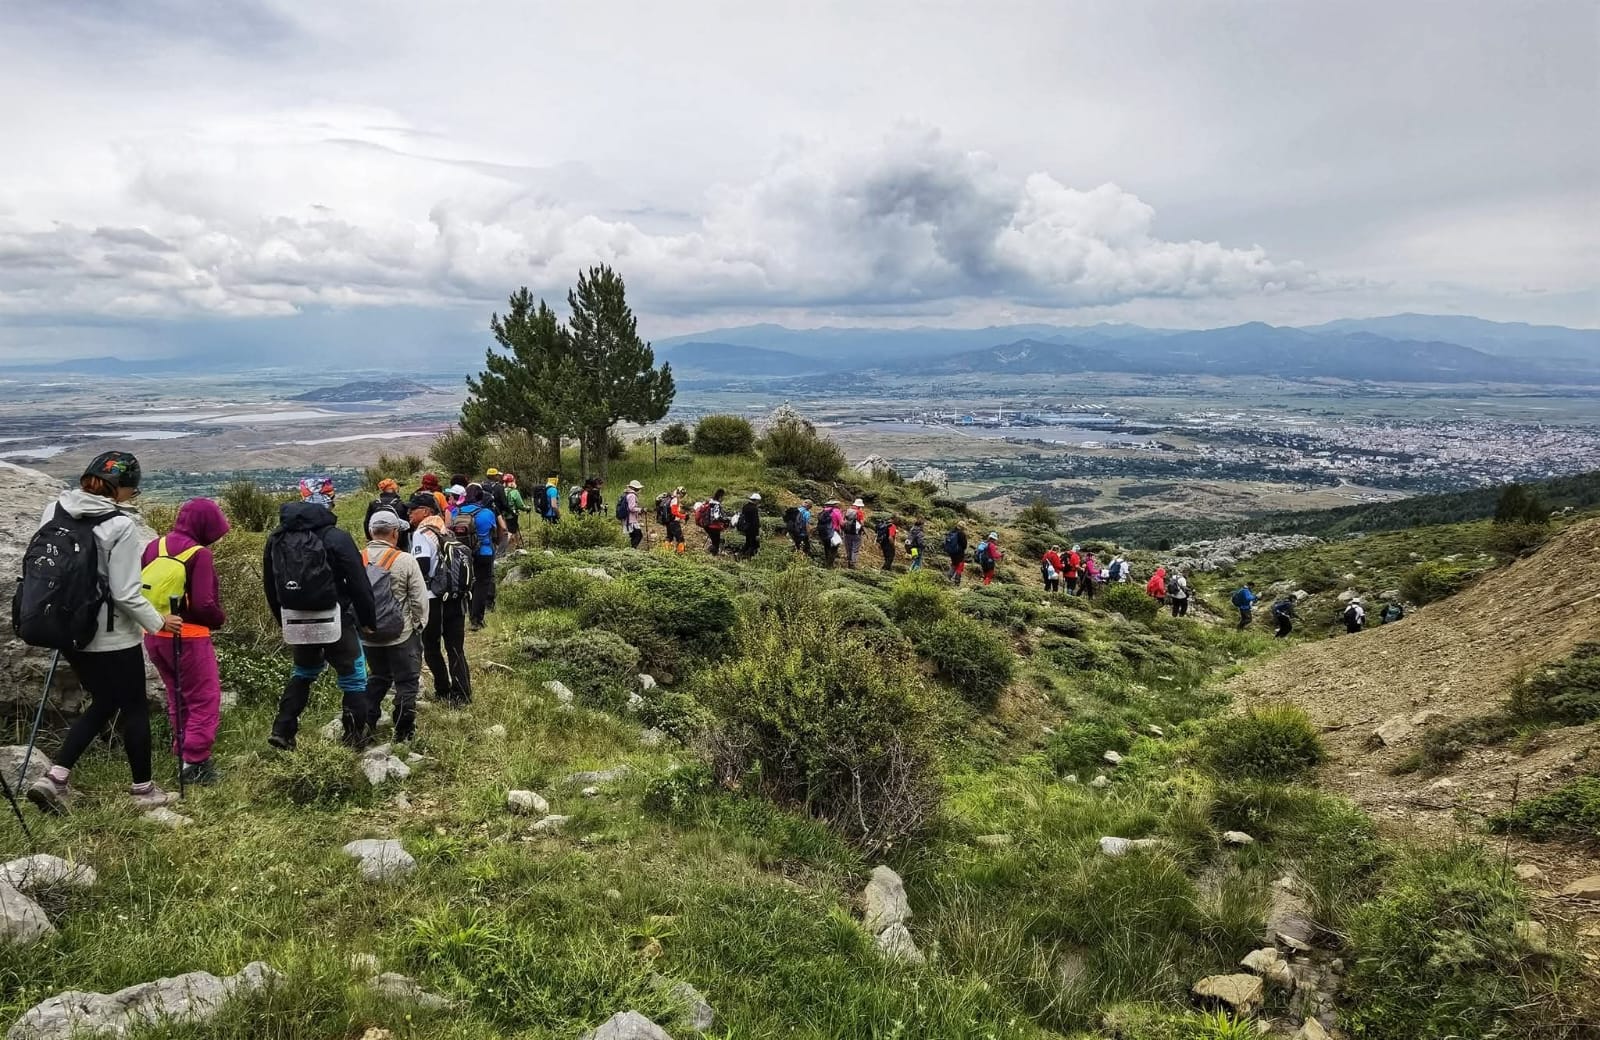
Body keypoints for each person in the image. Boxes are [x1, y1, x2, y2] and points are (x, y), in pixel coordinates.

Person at [24, 452, 184, 815]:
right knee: (134, 706)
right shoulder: (119, 526)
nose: (132, 496)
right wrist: (159, 622)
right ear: (120, 488)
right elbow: (126, 593)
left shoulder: (54, 509)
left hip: (66, 627)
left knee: (104, 700)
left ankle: (55, 778)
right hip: (111, 635)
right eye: (133, 490)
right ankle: (144, 791)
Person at [263, 479, 378, 750]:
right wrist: (368, 621)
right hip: (335, 619)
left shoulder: (276, 539)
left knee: (303, 672)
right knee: (353, 676)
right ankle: (352, 739)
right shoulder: (336, 537)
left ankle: (283, 730)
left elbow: (271, 585)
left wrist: (282, 620)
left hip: (295, 619)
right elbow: (359, 583)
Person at [141, 497, 230, 786]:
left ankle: (182, 752)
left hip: (154, 634)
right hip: (189, 637)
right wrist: (219, 619)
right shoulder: (199, 554)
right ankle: (196, 762)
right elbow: (204, 604)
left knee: (177, 696)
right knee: (204, 698)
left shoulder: (155, 546)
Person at [361, 510, 429, 742]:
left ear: (371, 531)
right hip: (401, 633)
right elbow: (419, 600)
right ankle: (403, 730)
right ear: (394, 533)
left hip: (368, 634)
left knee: (378, 676)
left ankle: (365, 721)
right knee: (407, 681)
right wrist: (419, 625)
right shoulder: (405, 560)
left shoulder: (356, 558)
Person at [409, 493, 471, 705]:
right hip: (455, 596)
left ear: (425, 511)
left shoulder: (421, 534)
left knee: (431, 646)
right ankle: (463, 694)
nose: (409, 513)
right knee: (455, 648)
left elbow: (422, 567)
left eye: (413, 509)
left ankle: (443, 689)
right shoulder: (446, 529)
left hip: (433, 598)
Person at [455, 484, 502, 629]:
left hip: (464, 553)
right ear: (481, 496)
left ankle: (468, 614)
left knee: (469, 584)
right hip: (484, 552)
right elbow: (499, 530)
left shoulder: (457, 512)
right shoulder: (487, 513)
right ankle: (476, 619)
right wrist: (497, 543)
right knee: (482, 584)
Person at [620, 479, 645, 548]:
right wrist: (640, 510)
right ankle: (632, 550)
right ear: (635, 488)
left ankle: (631, 550)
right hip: (631, 520)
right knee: (638, 535)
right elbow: (631, 508)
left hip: (628, 519)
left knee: (633, 536)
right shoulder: (632, 496)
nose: (639, 490)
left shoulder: (627, 494)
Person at [736, 492, 762, 558]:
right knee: (754, 545)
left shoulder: (745, 506)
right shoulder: (754, 509)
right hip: (752, 529)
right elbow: (755, 522)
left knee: (748, 543)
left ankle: (740, 554)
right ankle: (748, 557)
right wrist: (757, 534)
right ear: (756, 500)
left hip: (746, 528)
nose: (758, 502)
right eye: (758, 501)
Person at [843, 498, 867, 568]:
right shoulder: (859, 512)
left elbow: (843, 520)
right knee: (855, 549)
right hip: (856, 533)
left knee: (848, 548)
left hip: (847, 532)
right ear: (860, 506)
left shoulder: (848, 510)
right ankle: (853, 564)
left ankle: (848, 561)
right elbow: (862, 523)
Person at [665, 486, 688, 553]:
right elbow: (674, 512)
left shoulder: (671, 498)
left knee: (669, 537)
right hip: (674, 522)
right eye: (683, 494)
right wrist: (683, 516)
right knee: (680, 539)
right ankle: (680, 553)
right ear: (680, 493)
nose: (682, 496)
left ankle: (665, 552)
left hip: (669, 521)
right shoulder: (675, 500)